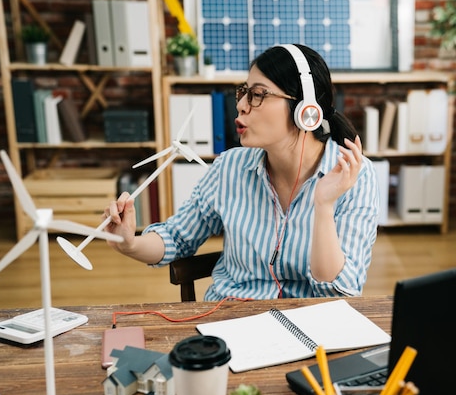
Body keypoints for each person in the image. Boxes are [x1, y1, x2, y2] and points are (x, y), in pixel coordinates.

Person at [103, 44, 380, 301]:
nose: (241, 105)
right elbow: (178, 237)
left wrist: (324, 205)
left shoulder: (353, 175)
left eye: (258, 95)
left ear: (305, 111)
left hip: (308, 328)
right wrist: (129, 243)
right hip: (230, 318)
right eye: (244, 92)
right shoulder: (229, 167)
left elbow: (338, 288)